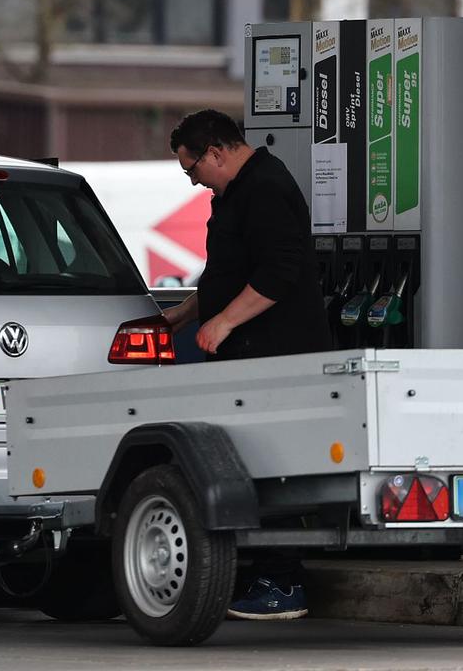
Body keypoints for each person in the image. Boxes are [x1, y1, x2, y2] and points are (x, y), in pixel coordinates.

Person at [157, 109, 330, 621]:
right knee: (242, 465)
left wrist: (223, 323)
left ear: (215, 152)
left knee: (272, 465)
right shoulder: (233, 194)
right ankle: (258, 576)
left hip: (274, 353)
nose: (194, 181)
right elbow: (226, 274)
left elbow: (280, 271)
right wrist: (186, 315)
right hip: (245, 354)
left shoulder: (266, 188)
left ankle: (282, 581)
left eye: (193, 170)